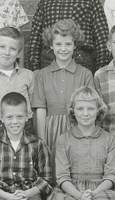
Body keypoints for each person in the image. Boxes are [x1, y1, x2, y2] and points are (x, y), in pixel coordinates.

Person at [27, 0, 110, 74]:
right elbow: (35, 38)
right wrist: (34, 67)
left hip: (81, 59)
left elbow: (101, 37)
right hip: (50, 59)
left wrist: (101, 68)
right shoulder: (46, 2)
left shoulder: (90, 0)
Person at [32, 19, 94, 160]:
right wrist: (42, 141)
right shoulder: (42, 74)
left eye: (68, 44)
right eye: (58, 44)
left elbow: (90, 108)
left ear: (75, 45)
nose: (63, 49)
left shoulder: (85, 74)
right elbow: (40, 110)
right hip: (50, 129)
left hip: (77, 128)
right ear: (51, 46)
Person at [0, 27, 35, 143]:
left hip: (24, 127)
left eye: (13, 49)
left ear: (19, 53)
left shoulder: (28, 75)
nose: (7, 53)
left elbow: (34, 109)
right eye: (2, 47)